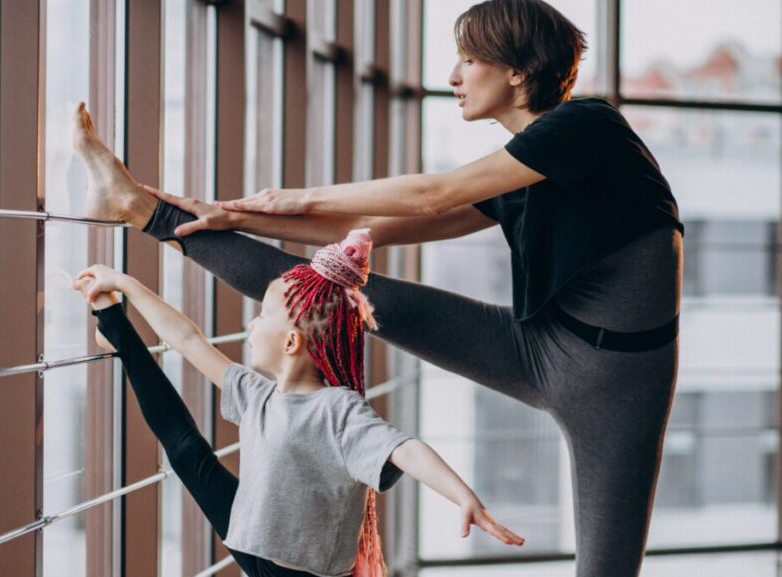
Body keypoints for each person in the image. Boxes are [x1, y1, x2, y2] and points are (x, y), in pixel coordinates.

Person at [70, 0, 683, 573]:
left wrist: (294, 196)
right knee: (314, 294)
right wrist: (232, 213)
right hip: (537, 345)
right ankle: (139, 209)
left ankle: (142, 210)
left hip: (617, 382)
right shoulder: (524, 166)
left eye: (469, 59)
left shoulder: (588, 127)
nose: (454, 75)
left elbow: (432, 193)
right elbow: (376, 226)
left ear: (519, 72)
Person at [72, 229, 523, 577]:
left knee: (187, 451)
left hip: (298, 570)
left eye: (263, 314)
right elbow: (188, 340)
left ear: (291, 341)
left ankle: (115, 330)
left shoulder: (338, 411)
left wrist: (462, 495)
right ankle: (115, 325)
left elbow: (406, 449)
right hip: (250, 533)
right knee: (185, 449)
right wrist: (126, 285)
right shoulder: (260, 395)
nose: (251, 324)